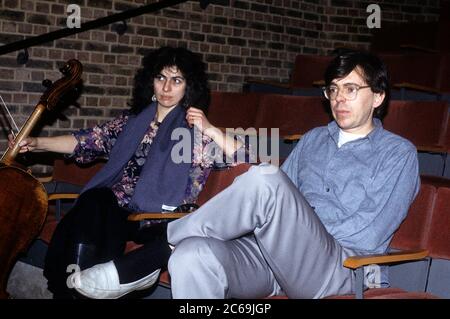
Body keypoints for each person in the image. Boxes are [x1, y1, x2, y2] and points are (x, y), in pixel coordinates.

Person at [167, 49, 420, 298]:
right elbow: (276, 202)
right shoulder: (313, 139)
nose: (339, 98)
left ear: (378, 97)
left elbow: (370, 231)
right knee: (191, 254)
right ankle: (177, 243)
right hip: (276, 257)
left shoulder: (398, 153)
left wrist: (302, 232)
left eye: (350, 89)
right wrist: (287, 233)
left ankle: (163, 242)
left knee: (264, 178)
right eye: (333, 89)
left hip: (342, 264)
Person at [9, 46, 248, 299]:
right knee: (95, 201)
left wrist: (210, 128)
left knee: (95, 204)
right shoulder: (132, 122)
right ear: (151, 81)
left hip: (154, 218)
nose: (166, 88)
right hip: (112, 211)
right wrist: (36, 143)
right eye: (161, 78)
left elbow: (248, 159)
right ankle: (77, 288)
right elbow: (87, 141)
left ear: (189, 86)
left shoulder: (194, 134)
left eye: (176, 80)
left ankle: (72, 290)